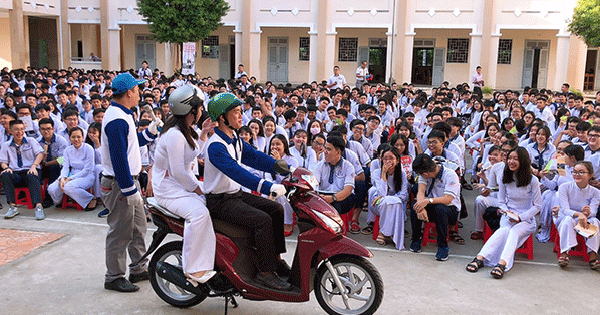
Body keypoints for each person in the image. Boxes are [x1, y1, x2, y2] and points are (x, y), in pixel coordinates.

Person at [204, 92, 292, 291]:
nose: (241, 116)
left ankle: (275, 260)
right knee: (262, 220)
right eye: (235, 112)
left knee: (276, 210)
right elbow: (237, 173)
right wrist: (268, 186)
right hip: (220, 201)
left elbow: (253, 157)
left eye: (239, 111)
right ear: (222, 118)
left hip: (234, 195)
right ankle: (265, 273)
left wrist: (280, 166)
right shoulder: (216, 146)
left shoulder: (233, 138)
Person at [100, 73, 163, 293]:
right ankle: (114, 276)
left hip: (127, 181)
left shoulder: (123, 114)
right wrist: (129, 190)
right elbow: (118, 159)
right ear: (129, 93)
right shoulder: (116, 118)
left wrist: (151, 132)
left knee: (137, 228)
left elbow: (132, 146)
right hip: (120, 183)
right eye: (137, 90)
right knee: (120, 231)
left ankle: (138, 267)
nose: (139, 93)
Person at [153, 84, 218, 285]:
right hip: (168, 189)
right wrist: (200, 189)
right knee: (199, 214)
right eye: (199, 107)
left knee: (208, 209)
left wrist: (204, 133)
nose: (201, 111)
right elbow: (179, 171)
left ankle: (205, 263)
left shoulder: (184, 129)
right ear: (191, 110)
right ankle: (192, 269)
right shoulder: (174, 134)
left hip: (178, 186)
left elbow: (191, 153)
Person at [466, 147, 542, 279]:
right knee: (503, 230)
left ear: (523, 161)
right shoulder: (504, 177)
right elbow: (501, 201)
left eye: (516, 159)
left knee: (513, 232)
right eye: (510, 158)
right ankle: (480, 258)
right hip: (508, 216)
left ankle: (502, 264)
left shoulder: (533, 180)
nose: (511, 162)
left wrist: (520, 217)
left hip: (526, 220)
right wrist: (507, 212)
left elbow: (538, 206)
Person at [410, 153, 461, 261]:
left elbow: (448, 199)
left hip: (449, 208)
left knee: (440, 209)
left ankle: (442, 246)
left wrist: (427, 201)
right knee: (415, 206)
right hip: (431, 205)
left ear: (426, 173)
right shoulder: (424, 175)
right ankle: (416, 239)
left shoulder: (450, 175)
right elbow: (421, 191)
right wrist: (421, 207)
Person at [554, 161, 600, 269]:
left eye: (581, 172)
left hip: (584, 220)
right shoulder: (565, 187)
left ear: (590, 175)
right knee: (567, 220)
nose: (576, 175)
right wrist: (579, 214)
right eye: (574, 172)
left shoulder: (595, 192)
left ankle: (592, 256)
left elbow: (593, 211)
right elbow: (565, 209)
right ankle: (564, 253)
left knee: (595, 221)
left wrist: (587, 212)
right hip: (567, 217)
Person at [0, 120, 44, 219]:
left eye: (21, 129)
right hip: (16, 173)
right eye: (16, 130)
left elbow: (40, 154)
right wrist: (6, 168)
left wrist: (34, 166)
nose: (19, 132)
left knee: (32, 175)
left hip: (30, 171)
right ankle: (12, 206)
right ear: (10, 131)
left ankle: (38, 207)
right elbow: (3, 161)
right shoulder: (6, 145)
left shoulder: (31, 141)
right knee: (5, 174)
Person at [369, 146, 409, 249]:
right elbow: (381, 192)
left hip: (394, 204)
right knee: (388, 202)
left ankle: (383, 233)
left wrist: (388, 198)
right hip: (377, 204)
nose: (388, 161)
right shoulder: (376, 173)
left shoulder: (402, 174)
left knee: (392, 202)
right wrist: (383, 173)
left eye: (391, 158)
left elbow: (404, 195)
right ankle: (389, 233)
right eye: (385, 158)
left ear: (397, 160)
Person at [47, 127, 96, 209]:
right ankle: (61, 201)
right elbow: (65, 167)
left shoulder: (88, 148)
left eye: (79, 137)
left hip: (86, 176)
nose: (76, 139)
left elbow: (87, 170)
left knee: (68, 186)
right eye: (73, 137)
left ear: (83, 138)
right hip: (71, 174)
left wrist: (70, 178)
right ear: (69, 138)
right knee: (51, 188)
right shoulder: (67, 150)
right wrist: (62, 178)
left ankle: (90, 199)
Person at [313, 136, 356, 215]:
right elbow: (314, 185)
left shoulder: (348, 166)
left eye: (329, 149)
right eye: (325, 148)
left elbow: (348, 190)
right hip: (323, 195)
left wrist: (332, 198)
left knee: (334, 207)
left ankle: (335, 227)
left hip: (342, 196)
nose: (325, 152)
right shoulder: (319, 166)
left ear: (338, 152)